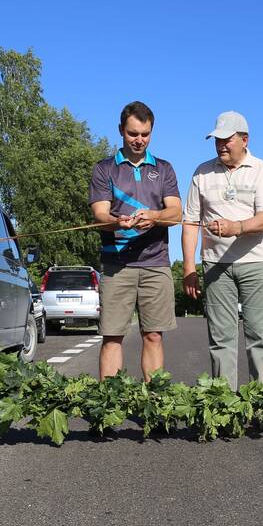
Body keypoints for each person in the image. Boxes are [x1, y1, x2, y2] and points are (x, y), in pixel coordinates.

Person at [182, 111, 263, 390]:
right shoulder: (202, 172)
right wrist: (189, 267)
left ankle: (262, 403)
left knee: (260, 337)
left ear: (245, 139)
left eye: (227, 139)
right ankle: (225, 406)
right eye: (217, 140)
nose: (221, 145)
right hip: (215, 265)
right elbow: (190, 222)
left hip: (257, 262)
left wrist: (235, 227)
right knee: (221, 338)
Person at [89, 101, 181, 381]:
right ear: (121, 131)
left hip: (156, 263)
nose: (139, 140)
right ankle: (109, 407)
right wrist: (117, 221)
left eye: (145, 134)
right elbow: (100, 213)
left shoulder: (164, 168)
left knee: (153, 334)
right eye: (132, 134)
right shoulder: (105, 169)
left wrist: (154, 216)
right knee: (113, 336)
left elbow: (176, 213)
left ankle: (154, 406)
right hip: (117, 264)